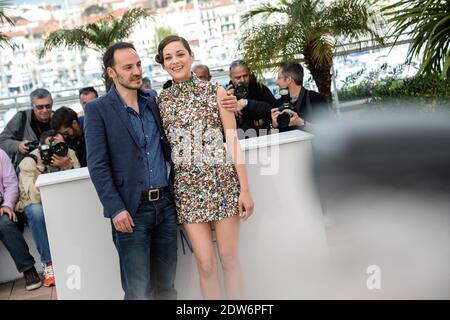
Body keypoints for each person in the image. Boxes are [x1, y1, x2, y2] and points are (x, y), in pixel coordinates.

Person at [156, 35, 254, 299]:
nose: (175, 61)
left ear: (191, 56)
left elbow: (234, 141)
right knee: (206, 264)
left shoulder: (216, 91)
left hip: (223, 182)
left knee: (228, 257)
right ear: (163, 64)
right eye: (168, 57)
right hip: (187, 190)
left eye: (180, 54)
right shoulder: (160, 102)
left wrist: (244, 189)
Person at [84, 42, 178, 300]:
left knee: (167, 287)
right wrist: (116, 209)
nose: (136, 71)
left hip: (166, 208)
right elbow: (98, 165)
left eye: (138, 64)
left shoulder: (153, 100)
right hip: (130, 212)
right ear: (111, 73)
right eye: (128, 67)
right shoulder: (97, 110)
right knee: (138, 291)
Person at [15, 130, 80, 287]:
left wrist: (67, 166)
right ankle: (49, 263)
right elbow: (34, 197)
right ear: (41, 146)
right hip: (39, 206)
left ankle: (78, 257)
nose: (56, 150)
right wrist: (40, 168)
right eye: (50, 146)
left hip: (64, 202)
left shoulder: (68, 153)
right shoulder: (29, 160)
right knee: (35, 211)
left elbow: (79, 188)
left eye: (59, 145)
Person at [0, 147, 42, 291]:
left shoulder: (0, 154)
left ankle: (29, 270)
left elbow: (11, 184)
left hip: (4, 207)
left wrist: (7, 205)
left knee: (5, 224)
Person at [271, 61, 329, 133]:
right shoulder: (278, 104)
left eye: (279, 78)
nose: (276, 83)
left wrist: (301, 122)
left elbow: (327, 129)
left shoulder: (315, 99)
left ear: (289, 80)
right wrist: (274, 125)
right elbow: (270, 137)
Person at [226, 60, 277, 138]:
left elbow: (273, 109)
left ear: (249, 73)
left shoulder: (260, 88)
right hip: (240, 139)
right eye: (238, 77)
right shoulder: (227, 94)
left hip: (263, 135)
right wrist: (227, 98)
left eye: (245, 76)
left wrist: (247, 103)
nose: (242, 80)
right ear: (231, 77)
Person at [0, 88, 52, 161]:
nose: (45, 110)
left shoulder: (57, 118)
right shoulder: (22, 118)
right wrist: (18, 146)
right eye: (40, 107)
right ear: (32, 106)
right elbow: (2, 141)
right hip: (28, 166)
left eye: (48, 106)